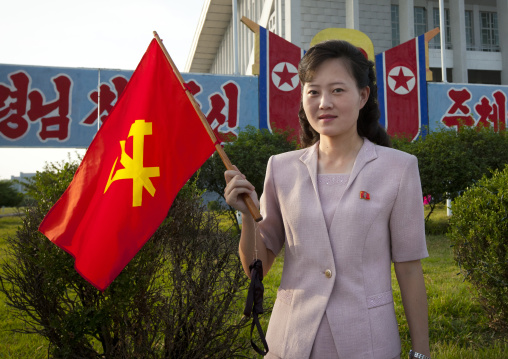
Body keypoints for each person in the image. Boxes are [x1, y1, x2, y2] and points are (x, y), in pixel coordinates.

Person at [224, 40, 430, 359]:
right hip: (290, 342)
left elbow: (409, 268)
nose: (324, 103)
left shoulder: (398, 168)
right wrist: (247, 216)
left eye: (337, 90)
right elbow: (258, 266)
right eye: (313, 91)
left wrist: (422, 353)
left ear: (362, 96)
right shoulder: (281, 168)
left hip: (368, 344)